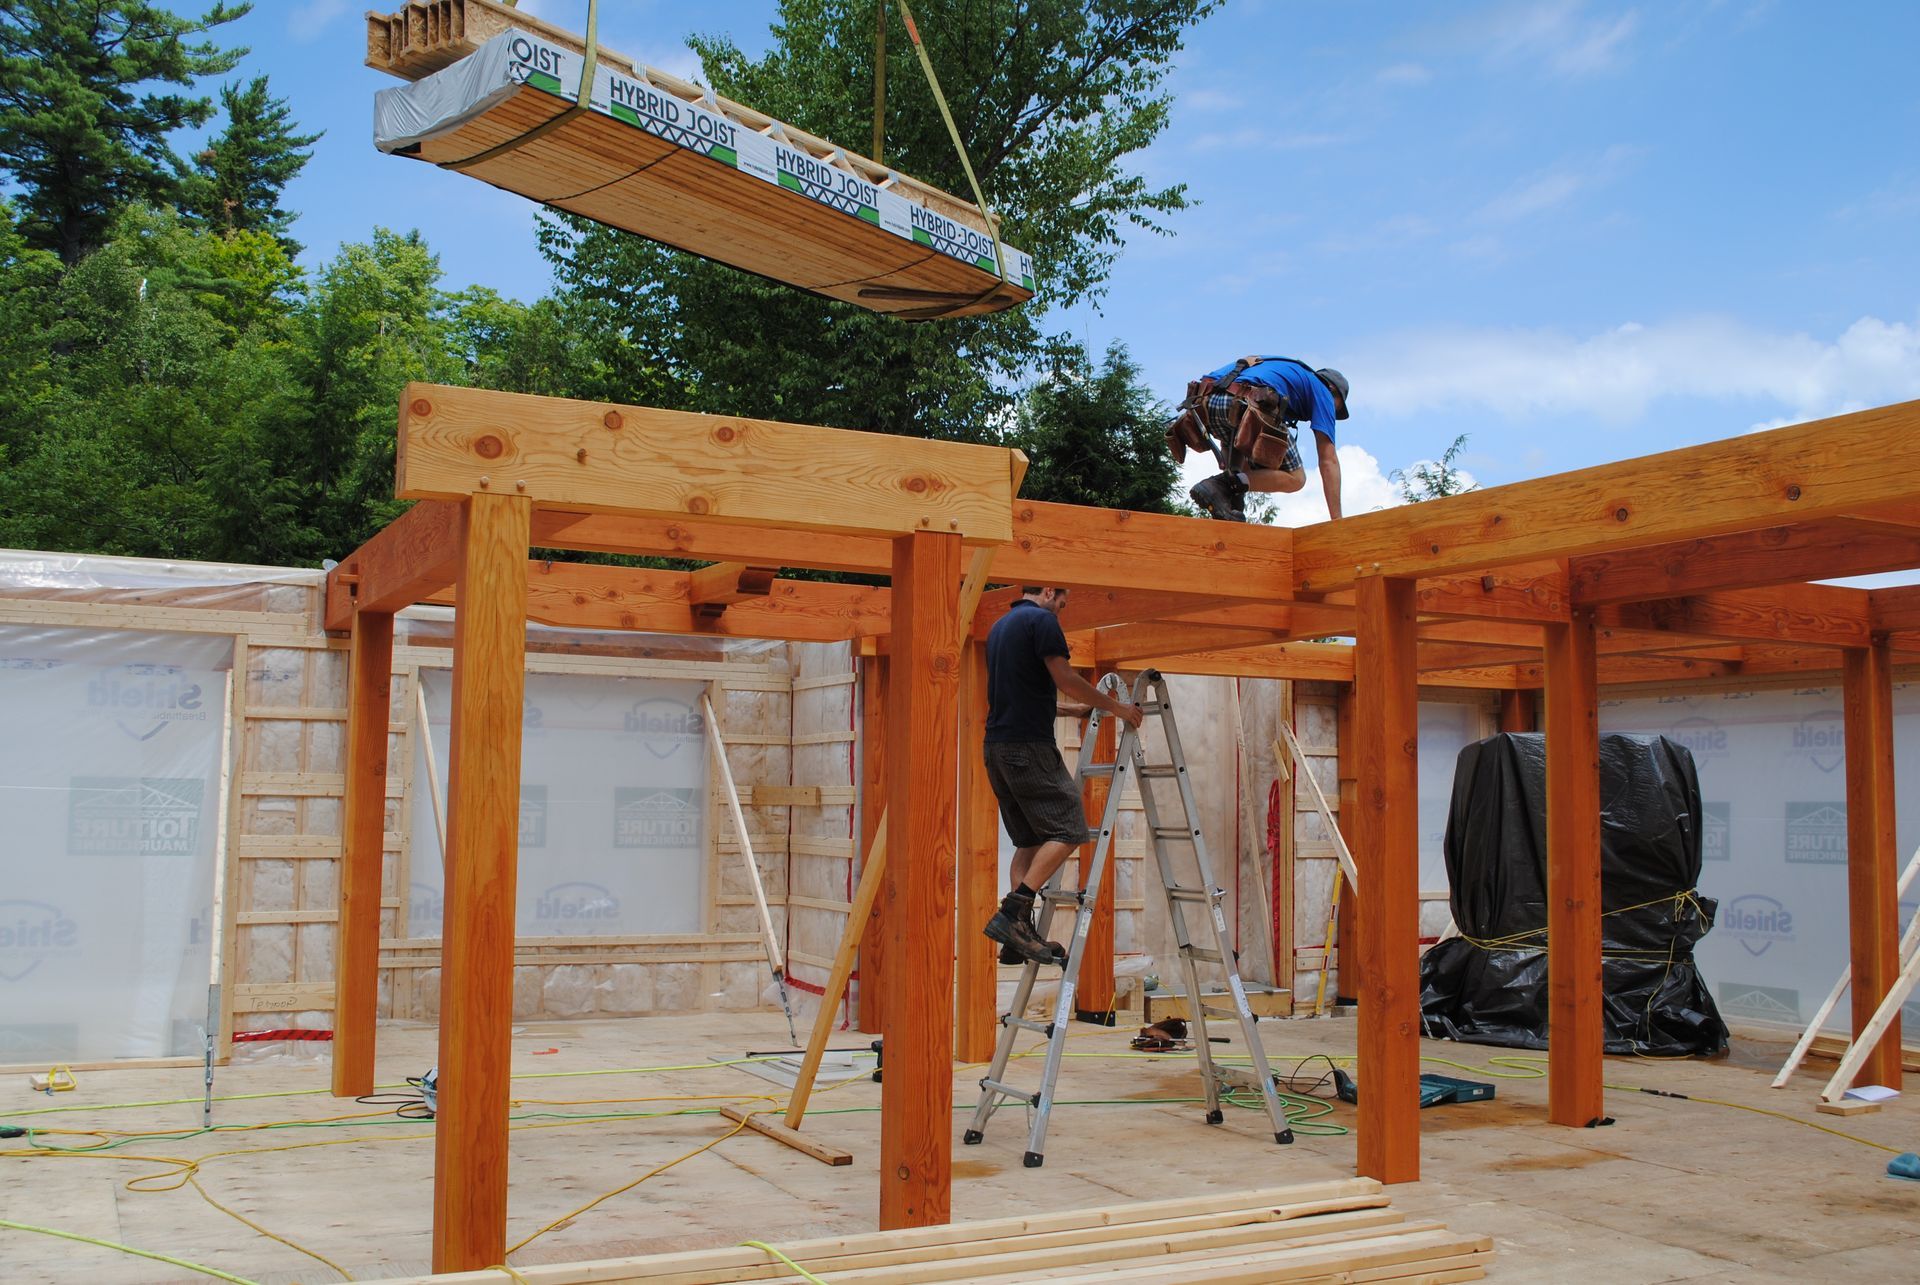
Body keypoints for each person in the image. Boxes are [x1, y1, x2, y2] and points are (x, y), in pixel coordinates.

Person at [980, 586, 1144, 966]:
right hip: (1029, 748)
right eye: (1063, 603)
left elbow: (1020, 694)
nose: (1062, 611)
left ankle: (1016, 938)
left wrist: (1070, 713)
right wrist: (1117, 708)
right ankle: (1012, 915)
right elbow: (1065, 677)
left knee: (1031, 839)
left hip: (998, 748)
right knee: (1071, 827)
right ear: (1049, 591)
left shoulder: (1001, 628)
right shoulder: (1042, 621)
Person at [1164, 356, 1350, 522]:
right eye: (1336, 408)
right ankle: (1218, 486)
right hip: (1244, 403)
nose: (1332, 414)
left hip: (1203, 405)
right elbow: (1328, 461)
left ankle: (1229, 510)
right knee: (1296, 478)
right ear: (1332, 388)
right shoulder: (1322, 390)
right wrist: (1337, 522)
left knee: (1242, 473)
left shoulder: (1279, 370)